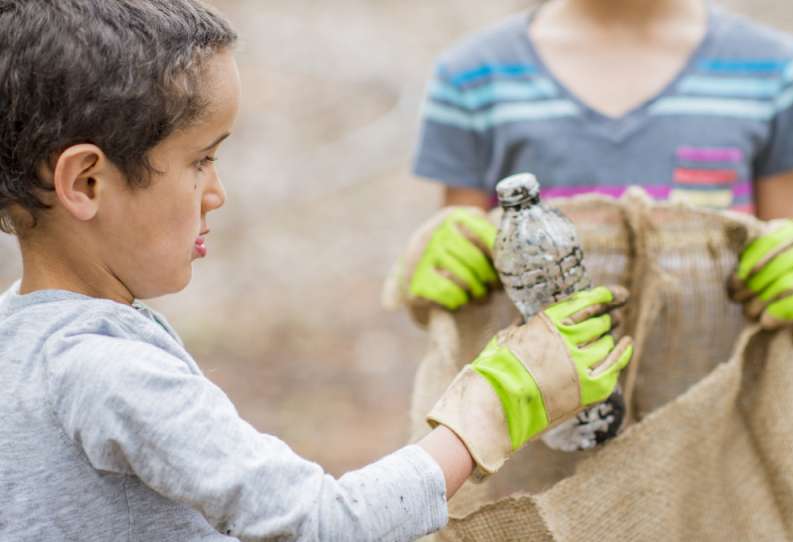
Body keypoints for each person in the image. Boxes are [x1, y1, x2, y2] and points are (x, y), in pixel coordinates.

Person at [0, 1, 633, 540]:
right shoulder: (107, 371)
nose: (216, 192)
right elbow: (327, 524)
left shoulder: (22, 337)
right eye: (200, 161)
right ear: (86, 181)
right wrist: (492, 408)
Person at [403, 0, 793, 329]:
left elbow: (783, 241)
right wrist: (433, 264)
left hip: (719, 407)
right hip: (541, 412)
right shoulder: (472, 77)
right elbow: (460, 278)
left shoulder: (777, 71)